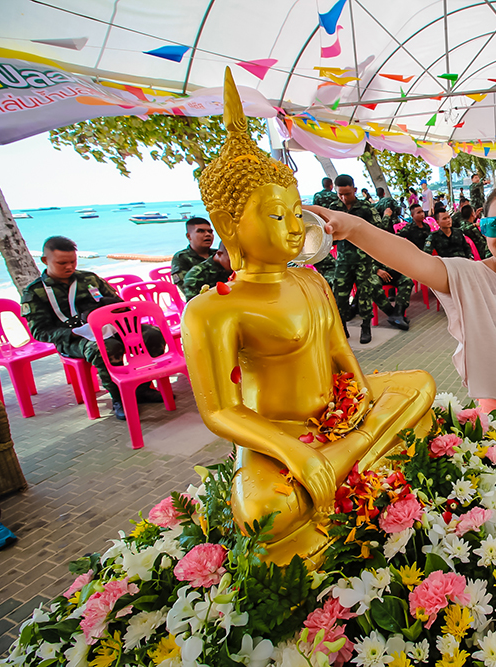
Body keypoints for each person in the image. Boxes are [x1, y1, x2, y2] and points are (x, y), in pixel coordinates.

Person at [183, 68, 434, 565]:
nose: (296, 228)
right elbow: (220, 411)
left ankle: (344, 462)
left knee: (422, 383)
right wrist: (295, 452)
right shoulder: (213, 309)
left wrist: (360, 396)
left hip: (339, 418)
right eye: (278, 217)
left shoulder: (309, 279)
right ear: (227, 225)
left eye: (297, 214)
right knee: (266, 513)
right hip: (277, 435)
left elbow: (340, 351)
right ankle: (352, 466)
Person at [313, 181, 496, 441]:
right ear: (483, 228)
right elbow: (411, 258)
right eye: (495, 225)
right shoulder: (468, 276)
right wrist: (354, 228)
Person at [21, 236, 168, 420]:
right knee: (105, 348)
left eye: (73, 261)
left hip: (109, 329)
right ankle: (119, 398)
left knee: (151, 334)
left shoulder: (88, 279)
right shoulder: (35, 292)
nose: (69, 267)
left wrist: (111, 308)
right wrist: (74, 332)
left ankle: (143, 388)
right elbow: (39, 332)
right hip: (73, 338)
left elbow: (120, 305)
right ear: (45, 260)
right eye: (62, 263)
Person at [328, 175, 408, 343]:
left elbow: (380, 229)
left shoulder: (366, 208)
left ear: (354, 190)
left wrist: (386, 216)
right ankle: (342, 327)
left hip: (364, 260)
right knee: (340, 296)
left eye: (347, 194)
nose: (343, 198)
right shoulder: (334, 208)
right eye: (340, 194)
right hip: (343, 260)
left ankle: (366, 327)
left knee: (365, 294)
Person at [170, 217, 215, 286]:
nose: (207, 234)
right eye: (201, 231)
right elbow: (186, 288)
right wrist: (213, 261)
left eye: (210, 231)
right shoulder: (181, 258)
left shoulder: (218, 254)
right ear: (189, 236)